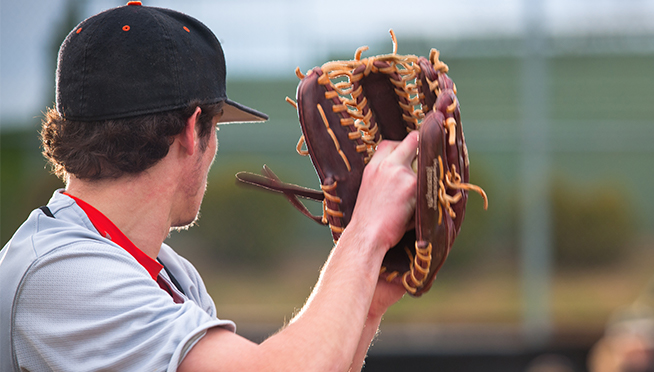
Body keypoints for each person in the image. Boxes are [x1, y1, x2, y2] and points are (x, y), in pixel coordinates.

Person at [0, 2, 417, 371]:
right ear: (188, 132)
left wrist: (365, 303)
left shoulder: (168, 273)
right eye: (214, 127)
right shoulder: (60, 274)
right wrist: (365, 234)